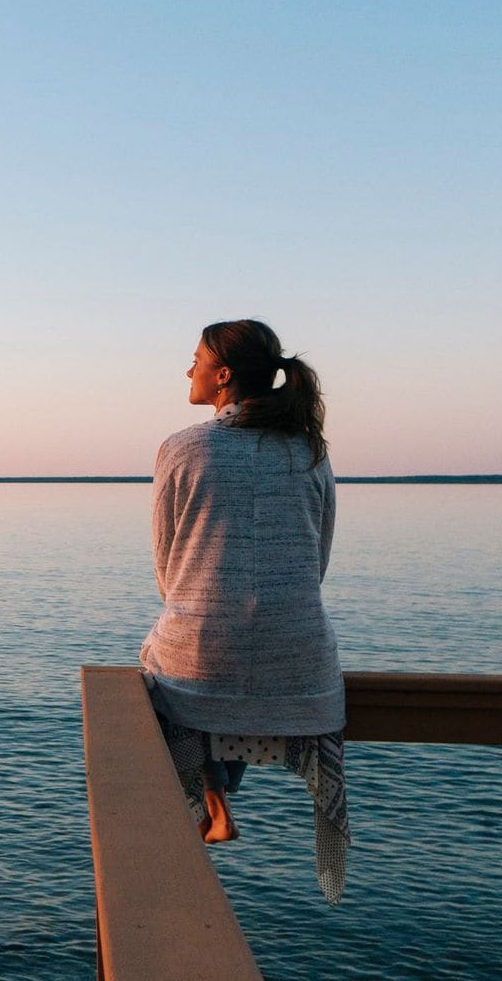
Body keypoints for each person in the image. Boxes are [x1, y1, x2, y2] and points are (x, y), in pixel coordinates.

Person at [140, 319, 349, 902]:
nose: (188, 370)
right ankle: (222, 790)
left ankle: (214, 797)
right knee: (233, 671)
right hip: (301, 660)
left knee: (172, 663)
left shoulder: (182, 447)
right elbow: (319, 557)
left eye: (196, 360)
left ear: (223, 376)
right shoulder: (309, 451)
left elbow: (167, 570)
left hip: (203, 656)